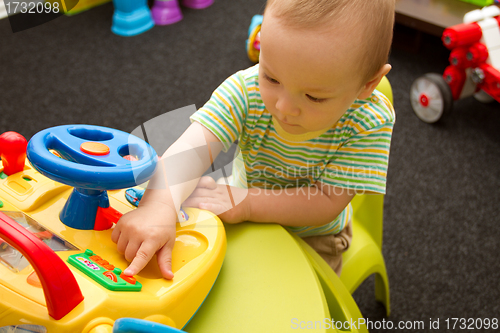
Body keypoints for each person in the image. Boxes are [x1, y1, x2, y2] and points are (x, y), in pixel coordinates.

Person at [112, 0, 396, 279]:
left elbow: (325, 200)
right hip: (241, 203)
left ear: (368, 84)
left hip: (314, 236)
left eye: (314, 97)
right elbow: (191, 149)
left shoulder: (369, 121)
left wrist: (248, 204)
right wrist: (159, 207)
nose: (284, 107)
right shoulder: (245, 90)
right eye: (271, 78)